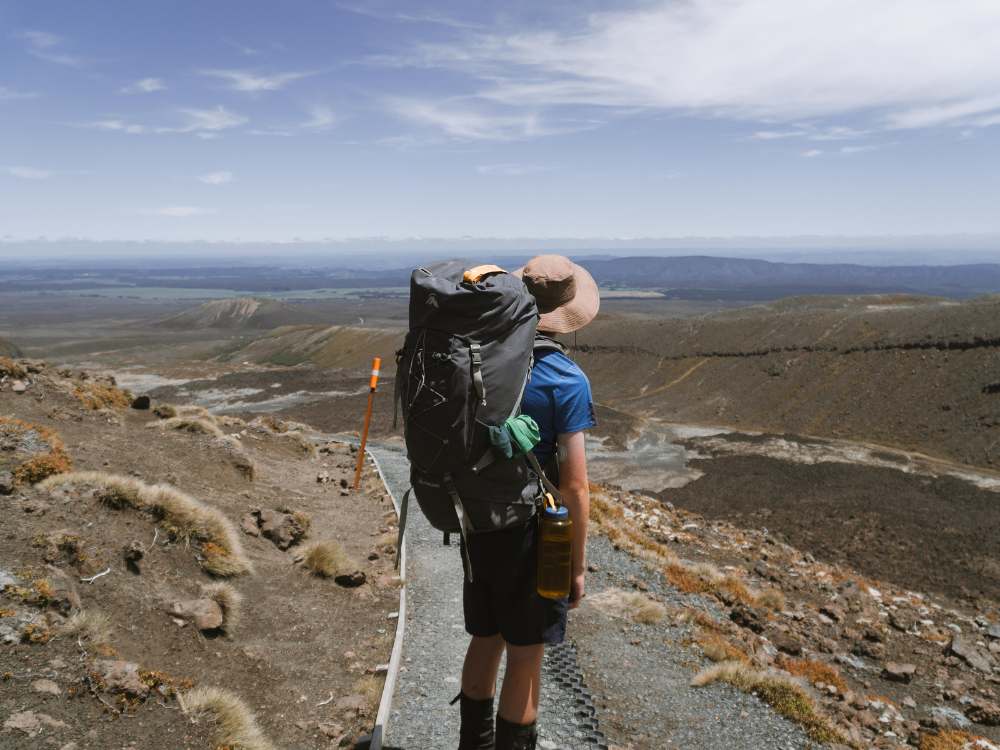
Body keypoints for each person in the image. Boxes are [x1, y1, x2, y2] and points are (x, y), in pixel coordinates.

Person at [456, 255, 600, 750]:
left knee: (486, 638)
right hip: (530, 534)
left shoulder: (480, 360)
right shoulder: (565, 380)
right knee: (526, 654)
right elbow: (575, 487)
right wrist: (576, 566)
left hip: (476, 519)